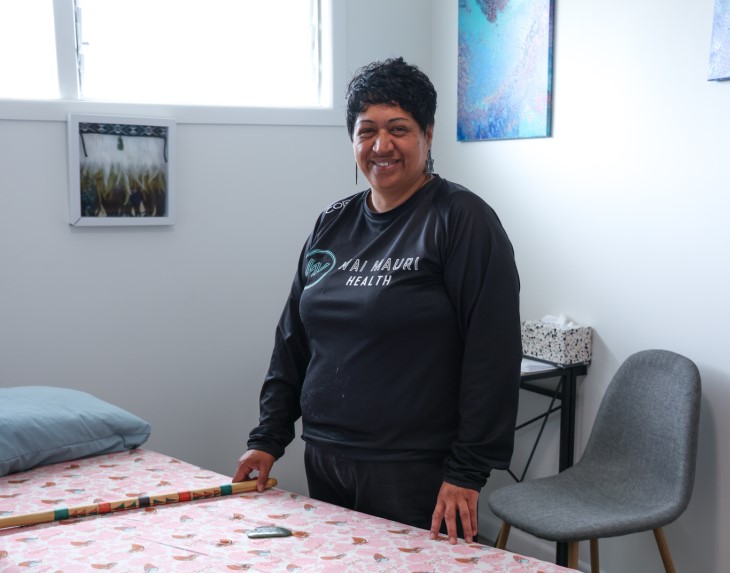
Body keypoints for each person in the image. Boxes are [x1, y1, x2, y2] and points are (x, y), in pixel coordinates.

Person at [233, 57, 522, 546]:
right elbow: (294, 340)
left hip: (416, 470)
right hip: (327, 457)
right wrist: (268, 437)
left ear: (428, 135)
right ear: (352, 140)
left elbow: (492, 354)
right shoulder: (332, 223)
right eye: (367, 131)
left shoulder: (462, 220)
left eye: (399, 129)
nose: (381, 145)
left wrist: (467, 471)